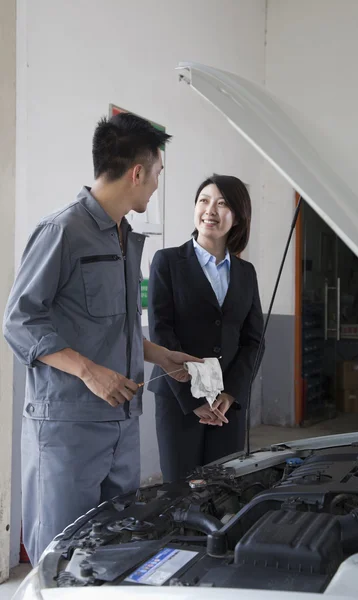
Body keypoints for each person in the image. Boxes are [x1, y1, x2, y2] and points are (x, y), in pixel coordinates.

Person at [3, 112, 201, 565]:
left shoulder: (125, 237)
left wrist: (163, 355)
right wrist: (90, 373)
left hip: (122, 425)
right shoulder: (62, 231)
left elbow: (116, 327)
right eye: (157, 176)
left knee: (112, 553)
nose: (155, 187)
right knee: (60, 556)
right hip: (69, 430)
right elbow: (18, 321)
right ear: (137, 172)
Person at [148, 174, 264, 482]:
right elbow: (161, 332)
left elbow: (254, 340)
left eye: (222, 203)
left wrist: (231, 393)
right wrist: (195, 398)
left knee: (223, 493)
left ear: (237, 217)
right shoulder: (167, 262)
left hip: (228, 406)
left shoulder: (246, 273)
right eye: (204, 200)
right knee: (181, 493)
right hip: (180, 402)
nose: (210, 210)